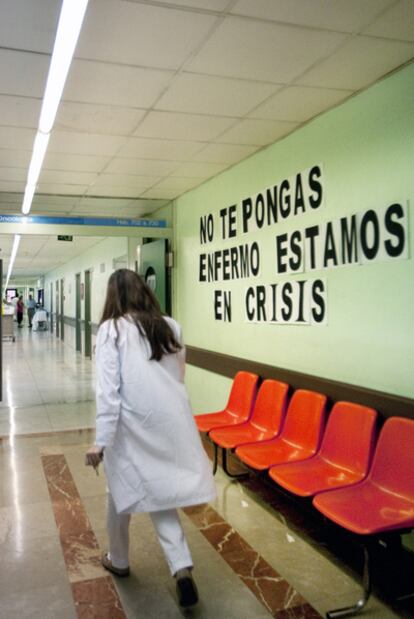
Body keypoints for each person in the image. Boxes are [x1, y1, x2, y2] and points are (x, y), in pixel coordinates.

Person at [85, 269, 216, 608]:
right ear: (144, 292)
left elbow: (108, 392)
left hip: (129, 427)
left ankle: (119, 558)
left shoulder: (111, 330)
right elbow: (177, 376)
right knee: (160, 496)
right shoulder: (170, 326)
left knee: (119, 492)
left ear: (113, 296)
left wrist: (100, 440)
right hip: (168, 423)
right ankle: (181, 567)